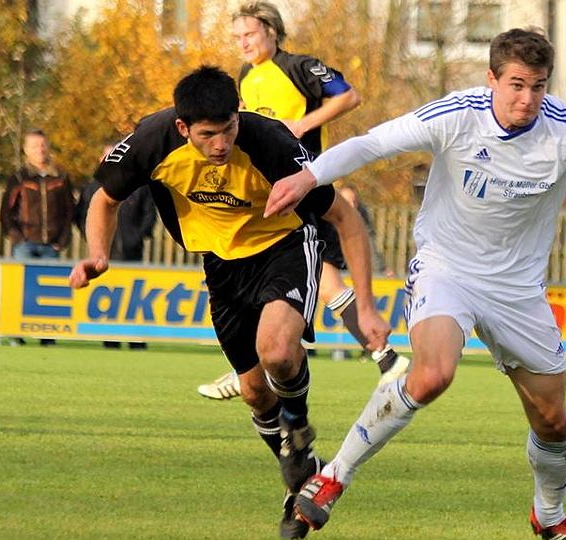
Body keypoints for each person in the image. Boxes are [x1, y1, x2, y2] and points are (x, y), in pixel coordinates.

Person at [262, 28, 566, 539]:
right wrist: (309, 176)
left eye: (538, 86)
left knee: (554, 422)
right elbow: (373, 143)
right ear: (491, 78)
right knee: (433, 374)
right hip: (446, 269)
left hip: (518, 291)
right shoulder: (458, 115)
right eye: (516, 84)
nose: (528, 99)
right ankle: (333, 476)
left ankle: (549, 516)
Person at [68, 66, 390, 539]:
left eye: (228, 129)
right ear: (183, 127)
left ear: (238, 114)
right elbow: (104, 200)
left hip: (283, 247)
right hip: (220, 266)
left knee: (277, 351)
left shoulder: (271, 143)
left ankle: (298, 429)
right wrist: (99, 254)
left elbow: (345, 218)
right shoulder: (152, 141)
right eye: (208, 135)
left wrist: (365, 306)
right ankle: (299, 475)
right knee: (255, 392)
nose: (221, 144)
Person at [197, 1, 408, 400]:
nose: (243, 43)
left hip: (302, 186)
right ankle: (386, 358)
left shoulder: (298, 67)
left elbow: (349, 96)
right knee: (325, 282)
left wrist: (302, 124)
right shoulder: (246, 75)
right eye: (237, 37)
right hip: (265, 192)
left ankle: (249, 369)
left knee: (276, 276)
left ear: (272, 31)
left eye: (249, 34)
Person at [76, 143, 157, 349]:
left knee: (135, 297)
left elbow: (149, 214)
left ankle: (136, 339)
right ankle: (110, 338)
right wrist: (95, 240)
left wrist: (137, 236)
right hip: (107, 253)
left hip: (132, 251)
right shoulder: (92, 188)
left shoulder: (139, 186)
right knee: (108, 297)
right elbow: (82, 216)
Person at [1, 128, 76, 346]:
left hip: (51, 246)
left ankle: (47, 336)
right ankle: (16, 334)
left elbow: (69, 211)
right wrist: (16, 237)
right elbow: (6, 212)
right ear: (26, 150)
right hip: (25, 244)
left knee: (50, 291)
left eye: (43, 145)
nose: (40, 150)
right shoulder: (19, 177)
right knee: (21, 289)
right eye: (34, 146)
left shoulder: (61, 177)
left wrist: (61, 241)